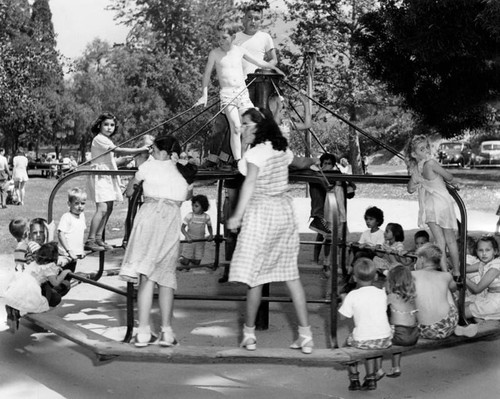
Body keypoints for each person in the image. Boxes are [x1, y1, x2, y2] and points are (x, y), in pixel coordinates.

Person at [226, 107, 313, 354]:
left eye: (246, 124)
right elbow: (297, 162)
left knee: (254, 277)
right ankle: (306, 335)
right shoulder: (280, 148)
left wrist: (236, 216)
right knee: (291, 276)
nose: (242, 128)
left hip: (262, 213)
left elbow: (250, 183)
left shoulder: (256, 153)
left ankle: (249, 334)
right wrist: (313, 162)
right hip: (283, 213)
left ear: (258, 126)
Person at [119, 135, 192, 348]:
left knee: (146, 276)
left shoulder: (148, 168)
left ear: (162, 152)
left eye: (153, 150)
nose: (150, 153)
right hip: (170, 219)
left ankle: (142, 332)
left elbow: (130, 191)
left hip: (148, 217)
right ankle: (166, 332)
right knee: (166, 276)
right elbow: (187, 196)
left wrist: (140, 181)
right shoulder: (185, 171)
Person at [195, 19, 285, 163]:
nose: (220, 41)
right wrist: (203, 95)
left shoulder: (239, 50)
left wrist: (274, 68)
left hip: (242, 93)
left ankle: (247, 157)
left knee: (254, 124)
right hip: (227, 95)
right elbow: (206, 75)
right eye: (218, 38)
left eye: (224, 38)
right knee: (236, 127)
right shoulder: (215, 53)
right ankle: (238, 161)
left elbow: (258, 62)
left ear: (233, 37)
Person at [86, 112, 147, 252]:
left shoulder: (106, 140)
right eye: (106, 124)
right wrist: (140, 149)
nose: (109, 127)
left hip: (108, 175)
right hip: (101, 176)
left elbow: (109, 159)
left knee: (109, 208)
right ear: (99, 125)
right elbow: (118, 150)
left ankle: (99, 238)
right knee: (101, 208)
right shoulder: (99, 138)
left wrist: (120, 161)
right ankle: (90, 239)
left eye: (112, 125)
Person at [405, 135, 460, 277]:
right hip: (442, 204)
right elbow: (449, 177)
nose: (426, 151)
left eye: (427, 147)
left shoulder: (417, 169)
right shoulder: (430, 164)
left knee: (439, 241)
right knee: (450, 240)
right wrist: (453, 180)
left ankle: (444, 272)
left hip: (429, 207)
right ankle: (457, 271)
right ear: (414, 154)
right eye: (422, 149)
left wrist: (416, 179)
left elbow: (410, 189)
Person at [339, 257, 392, 391]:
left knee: (348, 346)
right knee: (370, 346)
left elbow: (342, 317)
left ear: (355, 278)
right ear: (375, 277)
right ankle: (371, 378)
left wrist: (343, 300)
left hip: (364, 340)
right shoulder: (381, 293)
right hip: (384, 339)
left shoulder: (352, 295)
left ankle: (354, 379)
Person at [4, 242, 71, 317]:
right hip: (31, 288)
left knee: (22, 301)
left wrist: (56, 269)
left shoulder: (35, 262)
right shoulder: (49, 266)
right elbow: (55, 282)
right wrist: (65, 272)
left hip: (20, 284)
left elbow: (43, 271)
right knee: (40, 305)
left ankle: (16, 310)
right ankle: (29, 314)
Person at [412, 243, 460, 339]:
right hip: (446, 327)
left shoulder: (411, 275)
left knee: (411, 292)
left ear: (421, 259)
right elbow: (454, 288)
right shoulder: (446, 276)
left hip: (422, 329)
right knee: (448, 289)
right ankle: (458, 326)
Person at [380, 265, 419, 379]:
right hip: (413, 334)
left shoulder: (392, 297)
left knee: (378, 336)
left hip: (400, 334)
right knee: (395, 332)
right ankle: (396, 366)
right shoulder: (411, 297)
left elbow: (379, 309)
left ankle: (378, 369)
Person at [462, 235, 500, 328]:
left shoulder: (495, 267)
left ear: (495, 251)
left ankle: (487, 327)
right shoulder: (483, 263)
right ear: (476, 251)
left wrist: (463, 278)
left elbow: (477, 289)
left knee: (461, 312)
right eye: (480, 250)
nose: (484, 254)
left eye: (487, 250)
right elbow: (464, 269)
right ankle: (485, 325)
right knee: (462, 303)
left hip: (497, 301)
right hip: (490, 297)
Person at [233, 6, 278, 78]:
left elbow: (274, 60)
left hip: (258, 83)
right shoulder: (234, 38)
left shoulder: (265, 37)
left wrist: (262, 70)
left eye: (256, 19)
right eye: (249, 17)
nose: (253, 21)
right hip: (237, 82)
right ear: (244, 19)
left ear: (261, 21)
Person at [179, 194, 214, 269]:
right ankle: (183, 258)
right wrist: (187, 237)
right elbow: (182, 228)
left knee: (197, 262)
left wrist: (211, 234)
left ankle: (190, 258)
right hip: (190, 241)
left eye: (196, 206)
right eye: (193, 205)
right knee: (185, 263)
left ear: (203, 207)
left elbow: (209, 226)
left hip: (200, 241)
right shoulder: (190, 216)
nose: (193, 208)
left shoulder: (206, 217)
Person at [57, 188, 87, 271]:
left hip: (75, 254)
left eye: (83, 203)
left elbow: (80, 234)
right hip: (65, 254)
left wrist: (81, 250)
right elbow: (60, 234)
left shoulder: (82, 216)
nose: (80, 206)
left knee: (69, 274)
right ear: (69, 204)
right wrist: (69, 251)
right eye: (76, 203)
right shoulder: (66, 217)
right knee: (62, 277)